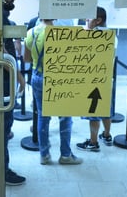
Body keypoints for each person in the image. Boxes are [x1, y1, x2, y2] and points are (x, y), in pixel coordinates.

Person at [24, 18, 83, 166]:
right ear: (55, 16)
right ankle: (65, 155)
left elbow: (26, 58)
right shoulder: (62, 33)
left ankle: (44, 155)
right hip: (58, 78)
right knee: (65, 117)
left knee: (43, 117)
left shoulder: (31, 32)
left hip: (37, 77)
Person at [76, 6, 115, 152]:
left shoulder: (96, 36)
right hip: (106, 79)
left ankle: (93, 143)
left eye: (89, 18)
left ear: (98, 20)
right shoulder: (110, 34)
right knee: (105, 109)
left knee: (93, 112)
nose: (86, 20)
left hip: (93, 79)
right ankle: (106, 135)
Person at [2, 0, 26, 185]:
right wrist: (17, 75)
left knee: (4, 126)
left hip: (4, 76)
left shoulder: (3, 17)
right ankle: (2, 170)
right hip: (2, 79)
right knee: (2, 126)